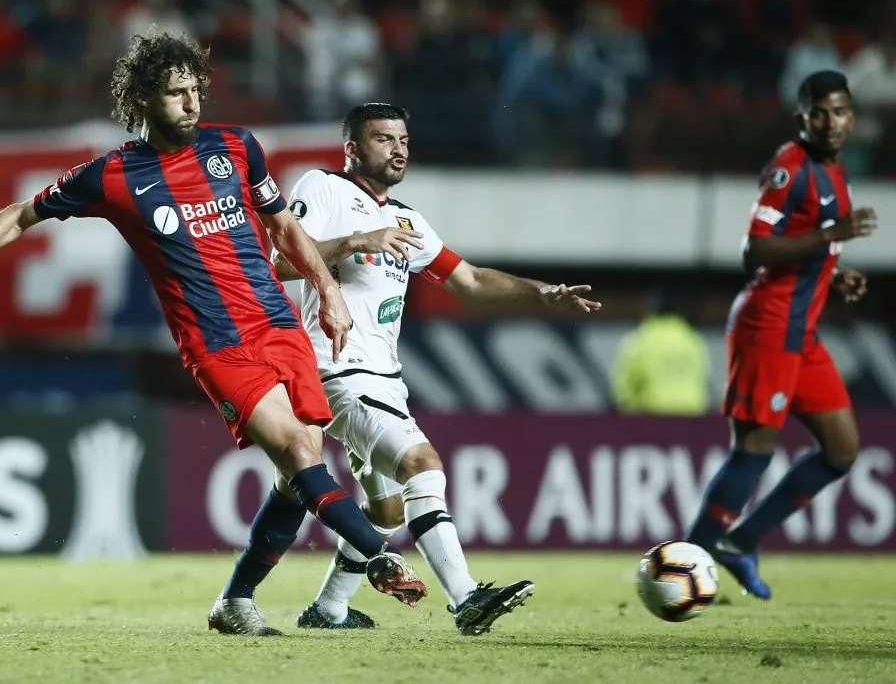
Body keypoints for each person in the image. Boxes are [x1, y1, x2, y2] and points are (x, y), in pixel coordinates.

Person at [0, 31, 426, 635]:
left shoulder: (236, 147)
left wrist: (331, 294)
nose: (190, 104)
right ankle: (381, 554)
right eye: (174, 94)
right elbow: (22, 214)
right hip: (216, 342)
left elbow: (286, 231)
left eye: (195, 91)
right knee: (295, 448)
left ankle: (235, 602)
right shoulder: (112, 176)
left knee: (302, 464)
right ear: (142, 102)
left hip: (280, 325)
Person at [273, 102, 602, 635]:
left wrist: (542, 293)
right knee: (422, 465)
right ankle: (466, 599)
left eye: (403, 138)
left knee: (386, 513)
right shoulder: (323, 188)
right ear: (352, 148)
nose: (398, 148)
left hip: (384, 377)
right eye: (383, 139)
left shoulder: (408, 220)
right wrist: (357, 240)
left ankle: (328, 610)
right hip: (339, 370)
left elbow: (468, 280)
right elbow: (281, 262)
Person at [685, 71, 878, 599]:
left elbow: (806, 247)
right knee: (754, 448)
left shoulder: (835, 171)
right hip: (768, 325)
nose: (830, 122)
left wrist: (837, 274)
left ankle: (741, 541)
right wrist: (832, 236)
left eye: (839, 112)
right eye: (820, 112)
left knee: (841, 450)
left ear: (852, 117)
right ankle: (687, 566)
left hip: (802, 332)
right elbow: (756, 251)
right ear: (802, 117)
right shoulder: (790, 167)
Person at [612, 287, 711, 416]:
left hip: (655, 418)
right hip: (693, 417)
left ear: (649, 311)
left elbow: (624, 393)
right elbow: (703, 377)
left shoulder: (639, 341)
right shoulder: (693, 340)